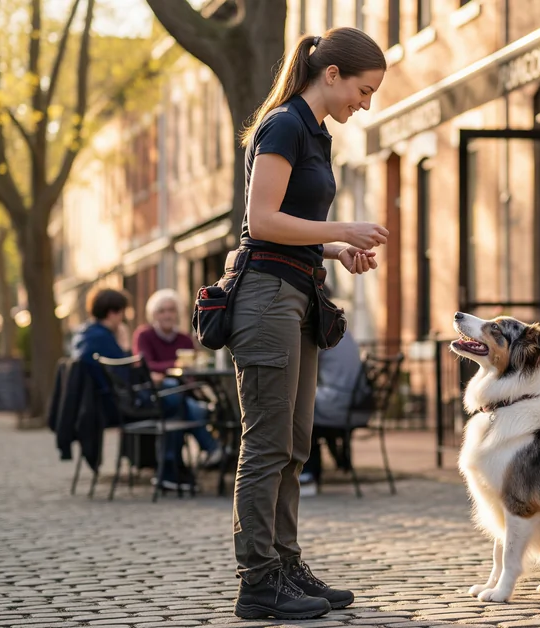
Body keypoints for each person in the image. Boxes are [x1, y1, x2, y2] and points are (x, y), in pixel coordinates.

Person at [226, 28, 388, 621]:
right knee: (267, 445)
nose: (364, 104)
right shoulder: (284, 125)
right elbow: (262, 222)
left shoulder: (315, 134)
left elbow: (292, 231)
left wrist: (335, 253)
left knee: (294, 446)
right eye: (363, 90)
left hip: (298, 294)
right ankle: (258, 582)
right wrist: (342, 230)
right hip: (267, 300)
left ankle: (286, 565)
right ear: (333, 74)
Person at [71, 287, 198, 490]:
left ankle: (172, 469)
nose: (123, 319)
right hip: (116, 407)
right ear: (113, 313)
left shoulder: (87, 336)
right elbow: (124, 373)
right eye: (123, 314)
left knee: (177, 400)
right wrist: (124, 344)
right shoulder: (102, 339)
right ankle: (170, 470)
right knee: (177, 402)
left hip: (103, 404)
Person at [132, 289, 224, 469]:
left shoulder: (185, 339)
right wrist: (175, 365)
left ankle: (172, 468)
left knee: (182, 403)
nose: (167, 315)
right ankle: (213, 448)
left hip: (184, 392)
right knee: (184, 401)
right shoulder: (144, 335)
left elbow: (194, 366)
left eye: (171, 310)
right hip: (154, 395)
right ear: (153, 314)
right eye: (162, 311)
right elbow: (145, 364)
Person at [299, 330, 371, 496]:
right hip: (357, 405)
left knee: (300, 406)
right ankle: (339, 461)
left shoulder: (321, 331)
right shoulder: (342, 330)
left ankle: (307, 473)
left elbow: (301, 364)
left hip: (339, 406)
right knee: (307, 402)